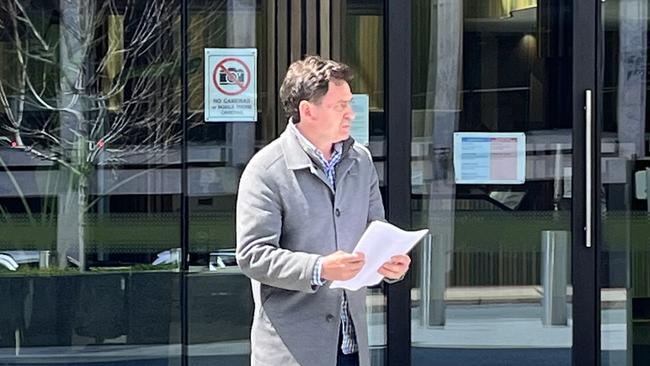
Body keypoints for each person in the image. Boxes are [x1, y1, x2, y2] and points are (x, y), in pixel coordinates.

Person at [236, 55, 411, 366]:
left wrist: (390, 263)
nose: (350, 114)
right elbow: (253, 255)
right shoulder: (266, 170)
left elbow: (376, 230)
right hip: (294, 352)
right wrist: (319, 268)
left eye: (350, 103)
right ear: (307, 110)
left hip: (352, 346)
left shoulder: (360, 161)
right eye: (339, 106)